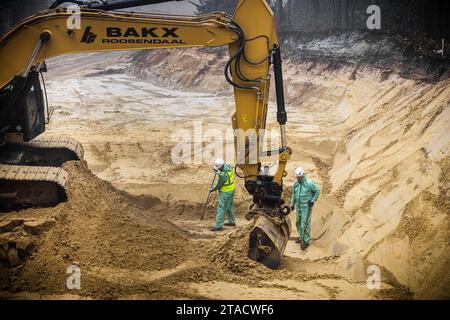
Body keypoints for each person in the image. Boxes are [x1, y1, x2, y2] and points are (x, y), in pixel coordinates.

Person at [290, 167, 320, 250]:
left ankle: (306, 241)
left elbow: (317, 191)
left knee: (305, 223)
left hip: (306, 207)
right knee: (298, 222)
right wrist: (292, 204)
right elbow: (294, 194)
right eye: (297, 177)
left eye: (299, 177)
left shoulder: (309, 184)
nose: (298, 178)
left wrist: (312, 200)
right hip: (298, 207)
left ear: (303, 175)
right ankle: (301, 237)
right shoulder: (296, 184)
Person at [209, 158, 236, 232]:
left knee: (221, 208)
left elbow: (219, 185)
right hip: (231, 190)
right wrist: (219, 172)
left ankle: (218, 226)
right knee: (229, 206)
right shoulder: (229, 167)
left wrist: (212, 189)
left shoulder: (222, 176)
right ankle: (232, 221)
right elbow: (224, 171)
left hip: (225, 193)